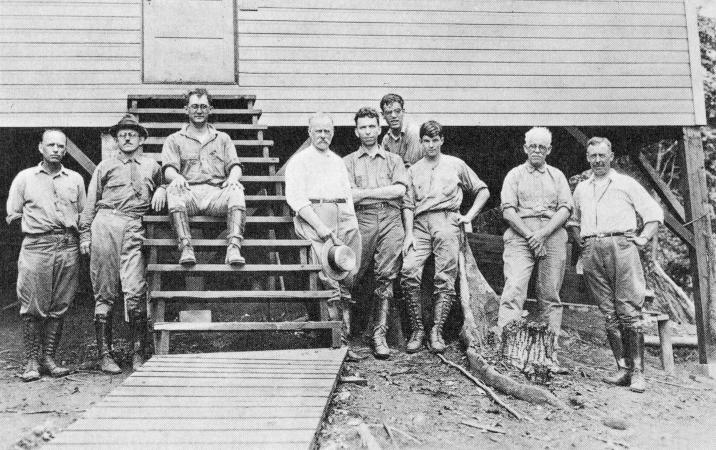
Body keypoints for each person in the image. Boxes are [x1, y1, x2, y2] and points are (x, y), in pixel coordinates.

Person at [568, 137, 663, 393]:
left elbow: (654, 214)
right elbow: (574, 221)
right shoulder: (581, 188)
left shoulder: (625, 183)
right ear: (587, 158)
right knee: (608, 312)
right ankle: (622, 369)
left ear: (611, 156)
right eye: (592, 156)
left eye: (602, 155)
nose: (597, 160)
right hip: (592, 249)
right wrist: (583, 246)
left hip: (621, 246)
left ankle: (638, 374)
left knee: (629, 309)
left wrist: (642, 238)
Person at [79, 114, 164, 374]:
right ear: (116, 139)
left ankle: (139, 352)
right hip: (106, 223)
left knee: (135, 289)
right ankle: (106, 355)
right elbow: (90, 202)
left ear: (141, 139)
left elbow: (163, 188)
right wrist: (84, 233)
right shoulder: (105, 166)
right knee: (104, 290)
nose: (127, 137)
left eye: (132, 134)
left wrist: (164, 189)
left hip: (135, 226)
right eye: (122, 134)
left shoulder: (152, 166)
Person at [401, 121, 489, 353]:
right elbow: (408, 204)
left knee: (445, 277)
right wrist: (409, 234)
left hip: (447, 221)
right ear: (421, 142)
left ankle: (436, 331)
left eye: (435, 140)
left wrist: (468, 216)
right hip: (420, 225)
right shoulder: (413, 170)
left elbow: (482, 190)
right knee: (409, 270)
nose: (431, 145)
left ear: (442, 140)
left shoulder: (455, 164)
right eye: (426, 141)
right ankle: (418, 329)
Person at [6, 129, 86, 381]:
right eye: (50, 145)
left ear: (65, 150)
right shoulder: (25, 178)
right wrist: (36, 228)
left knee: (60, 304)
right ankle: (31, 360)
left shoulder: (75, 179)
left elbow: (84, 215)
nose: (56, 149)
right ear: (40, 147)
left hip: (67, 246)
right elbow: (12, 214)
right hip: (37, 246)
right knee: (32, 305)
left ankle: (49, 358)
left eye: (60, 146)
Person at [497, 127, 573, 371]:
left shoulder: (557, 176)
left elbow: (565, 209)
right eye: (533, 146)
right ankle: (508, 352)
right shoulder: (515, 175)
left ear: (549, 150)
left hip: (551, 234)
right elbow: (508, 210)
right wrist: (531, 235)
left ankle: (549, 356)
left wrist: (543, 233)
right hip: (521, 235)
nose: (537, 150)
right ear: (525, 148)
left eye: (542, 147)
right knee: (514, 289)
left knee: (550, 294)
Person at [285, 113, 362, 339]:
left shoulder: (337, 161)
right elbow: (296, 199)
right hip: (315, 216)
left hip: (343, 215)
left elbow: (347, 195)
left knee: (348, 271)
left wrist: (351, 221)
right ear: (309, 133)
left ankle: (345, 334)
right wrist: (319, 226)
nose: (322, 135)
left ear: (333, 133)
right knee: (328, 275)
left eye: (327, 131)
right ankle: (335, 338)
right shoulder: (299, 161)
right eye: (318, 131)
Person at [343, 107, 408, 359]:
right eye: (363, 127)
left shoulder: (394, 160)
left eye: (372, 126)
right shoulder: (348, 162)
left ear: (379, 129)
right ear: (356, 131)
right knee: (351, 271)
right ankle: (345, 333)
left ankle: (379, 334)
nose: (368, 131)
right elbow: (350, 194)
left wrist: (365, 193)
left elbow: (400, 191)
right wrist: (383, 190)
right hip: (362, 220)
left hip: (391, 219)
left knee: (386, 275)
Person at [161, 87, 246, 266]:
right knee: (173, 190)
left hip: (216, 195)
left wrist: (232, 178)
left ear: (210, 109)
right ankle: (185, 247)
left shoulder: (223, 138)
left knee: (237, 191)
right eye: (194, 106)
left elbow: (235, 166)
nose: (199, 111)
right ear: (186, 109)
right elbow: (168, 170)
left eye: (203, 106)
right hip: (189, 194)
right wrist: (176, 177)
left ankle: (233, 248)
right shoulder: (174, 139)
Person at [380, 93, 423, 167]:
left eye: (397, 111)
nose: (393, 116)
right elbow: (384, 167)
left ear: (403, 112)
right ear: (383, 115)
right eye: (388, 112)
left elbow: (412, 168)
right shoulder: (386, 140)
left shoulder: (413, 132)